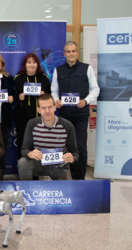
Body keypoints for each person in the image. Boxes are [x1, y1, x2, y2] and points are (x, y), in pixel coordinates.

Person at [51, 41, 100, 180]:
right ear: (64, 53)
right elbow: (54, 90)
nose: (71, 54)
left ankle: (79, 178)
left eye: (73, 51)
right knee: (65, 145)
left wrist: (86, 101)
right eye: (68, 51)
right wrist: (56, 100)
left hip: (80, 114)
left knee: (80, 146)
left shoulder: (87, 68)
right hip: (64, 115)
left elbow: (96, 89)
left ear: (77, 52)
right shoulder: (58, 70)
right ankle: (67, 176)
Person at [18, 94, 79, 180]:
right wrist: (30, 153)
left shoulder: (67, 125)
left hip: (60, 167)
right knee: (23, 162)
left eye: (50, 107)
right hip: (40, 166)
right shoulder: (32, 124)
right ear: (38, 110)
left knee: (67, 191)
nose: (47, 111)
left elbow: (75, 152)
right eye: (43, 108)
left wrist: (73, 158)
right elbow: (24, 149)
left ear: (55, 107)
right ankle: (27, 190)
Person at [14, 53, 51, 159]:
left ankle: (36, 173)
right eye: (29, 62)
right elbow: (11, 98)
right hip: (22, 118)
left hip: (39, 118)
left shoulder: (44, 78)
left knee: (38, 145)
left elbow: (51, 98)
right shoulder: (17, 78)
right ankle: (23, 172)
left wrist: (45, 96)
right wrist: (18, 97)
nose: (31, 65)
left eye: (34, 62)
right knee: (22, 144)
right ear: (24, 64)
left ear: (37, 64)